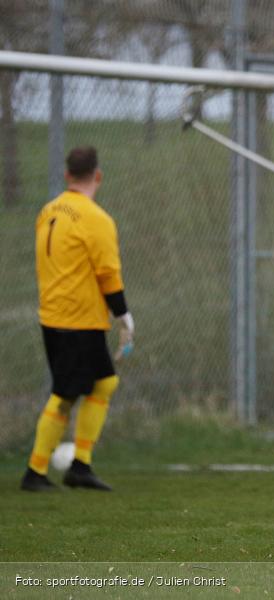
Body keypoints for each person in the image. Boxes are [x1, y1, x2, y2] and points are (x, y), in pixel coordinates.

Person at [21, 146, 134, 492]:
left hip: (54, 314)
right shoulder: (96, 218)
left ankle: (80, 465)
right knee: (65, 394)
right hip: (77, 319)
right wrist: (124, 316)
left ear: (68, 175)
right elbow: (108, 274)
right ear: (97, 175)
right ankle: (36, 472)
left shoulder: (48, 210)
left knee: (103, 382)